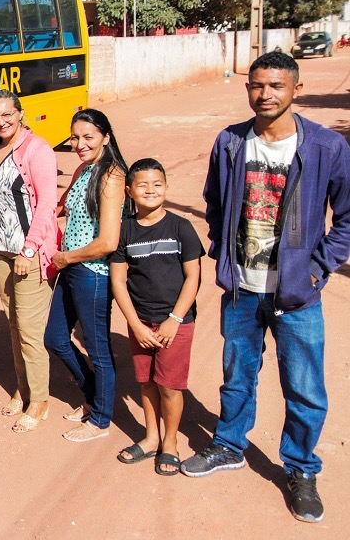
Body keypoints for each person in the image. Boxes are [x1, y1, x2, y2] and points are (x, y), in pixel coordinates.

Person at [181, 52, 350, 524]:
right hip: (243, 289)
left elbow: (348, 218)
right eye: (257, 85)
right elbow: (214, 202)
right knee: (237, 376)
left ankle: (300, 468)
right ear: (248, 88)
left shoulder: (325, 147)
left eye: (276, 85)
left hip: (298, 293)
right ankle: (230, 445)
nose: (266, 94)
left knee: (304, 387)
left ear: (296, 87)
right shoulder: (231, 142)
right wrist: (223, 250)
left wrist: (319, 267)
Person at [110, 158, 202, 476]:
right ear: (129, 191)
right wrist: (135, 324)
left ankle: (171, 443)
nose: (150, 190)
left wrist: (174, 320)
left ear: (166, 187)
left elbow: (193, 277)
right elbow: (119, 280)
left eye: (157, 183)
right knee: (147, 383)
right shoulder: (125, 232)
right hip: (141, 324)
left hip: (175, 324)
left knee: (169, 387)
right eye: (142, 185)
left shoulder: (181, 227)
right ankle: (151, 438)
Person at [0, 91, 60, 431]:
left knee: (29, 330)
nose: (1, 121)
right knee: (12, 324)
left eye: (7, 114)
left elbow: (46, 204)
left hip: (30, 255)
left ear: (21, 114)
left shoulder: (37, 150)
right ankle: (23, 389)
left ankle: (39, 400)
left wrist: (29, 250)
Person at [44, 109, 127, 443]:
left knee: (98, 348)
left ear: (106, 137)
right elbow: (60, 206)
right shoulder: (83, 169)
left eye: (88, 137)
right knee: (56, 339)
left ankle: (101, 420)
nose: (79, 144)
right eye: (75, 137)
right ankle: (94, 396)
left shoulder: (111, 176)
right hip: (73, 267)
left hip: (92, 272)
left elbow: (107, 241)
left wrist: (65, 257)